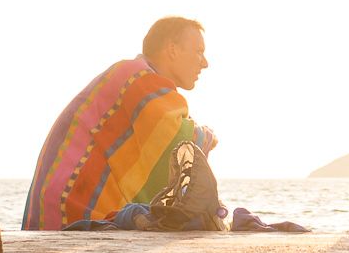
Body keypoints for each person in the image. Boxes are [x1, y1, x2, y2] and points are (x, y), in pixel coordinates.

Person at [22, 17, 217, 230]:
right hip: (74, 213)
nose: (204, 62)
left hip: (55, 210)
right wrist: (206, 136)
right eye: (198, 51)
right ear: (172, 49)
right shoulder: (138, 77)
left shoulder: (132, 75)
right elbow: (176, 142)